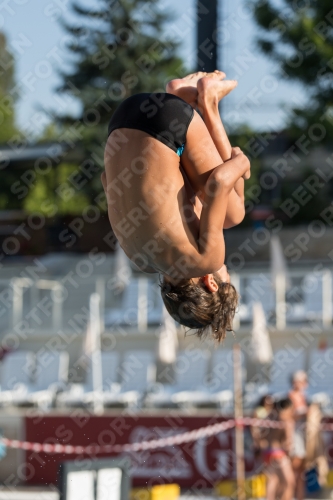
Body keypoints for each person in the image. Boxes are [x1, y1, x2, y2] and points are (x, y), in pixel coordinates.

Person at [102, 71, 250, 341]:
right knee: (211, 212)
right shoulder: (138, 259)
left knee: (234, 213)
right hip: (122, 120)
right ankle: (179, 92)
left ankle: (208, 100)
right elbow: (106, 180)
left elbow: (219, 181)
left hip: (170, 120)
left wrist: (241, 163)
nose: (225, 266)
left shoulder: (208, 261)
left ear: (211, 282)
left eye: (227, 273)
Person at [261, 398, 295, 500]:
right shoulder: (287, 420)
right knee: (289, 482)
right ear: (289, 408)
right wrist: (289, 455)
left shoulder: (271, 417)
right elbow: (288, 443)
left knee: (273, 480)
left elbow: (262, 436)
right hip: (279, 453)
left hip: (268, 452)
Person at [288, 370, 308, 500]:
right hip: (294, 435)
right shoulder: (291, 396)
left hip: (302, 434)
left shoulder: (303, 397)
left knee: (301, 471)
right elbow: (288, 417)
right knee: (294, 471)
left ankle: (300, 496)